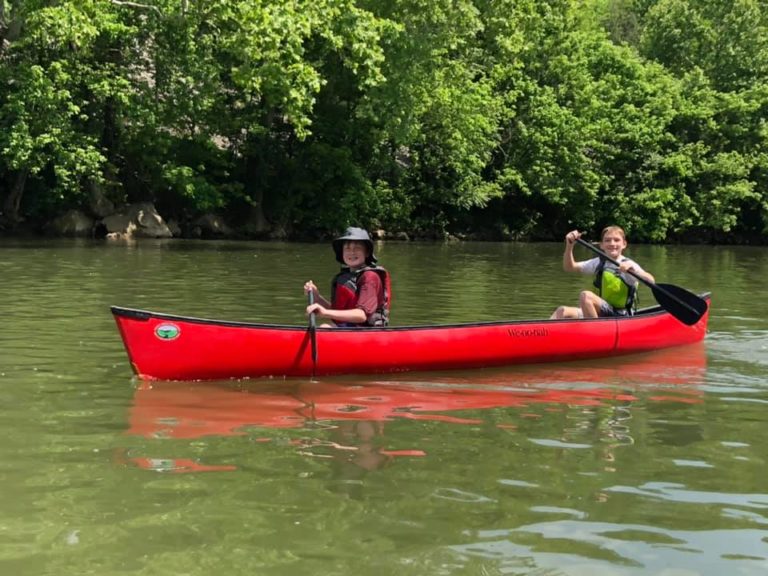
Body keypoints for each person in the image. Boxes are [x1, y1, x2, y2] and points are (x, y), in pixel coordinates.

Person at [550, 226, 655, 320]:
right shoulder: (599, 262)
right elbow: (569, 267)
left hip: (621, 315)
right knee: (562, 311)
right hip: (605, 312)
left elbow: (651, 280)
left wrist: (633, 270)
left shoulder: (628, 264)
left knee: (586, 296)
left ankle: (595, 333)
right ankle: (542, 335)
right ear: (602, 245)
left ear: (624, 244)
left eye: (616, 240)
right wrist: (569, 246)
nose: (612, 243)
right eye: (607, 240)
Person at [304, 226, 390, 327]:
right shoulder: (346, 277)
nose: (352, 252)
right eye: (347, 248)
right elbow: (338, 312)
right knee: (327, 327)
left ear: (366, 252)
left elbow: (361, 315)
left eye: (357, 248)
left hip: (368, 335)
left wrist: (325, 312)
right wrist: (317, 298)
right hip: (349, 331)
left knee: (325, 327)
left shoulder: (370, 277)